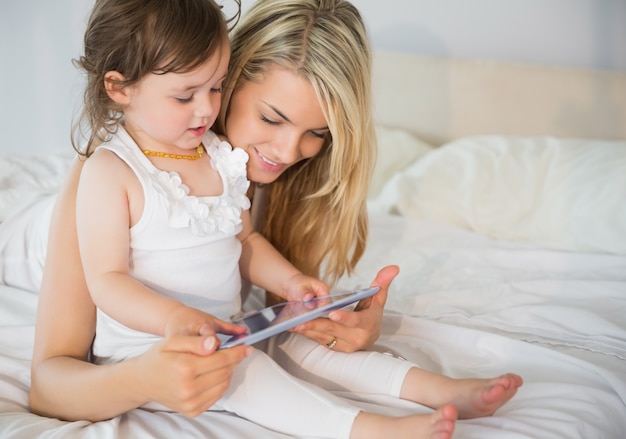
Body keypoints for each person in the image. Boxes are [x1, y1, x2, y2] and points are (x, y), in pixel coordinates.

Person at [0, 0, 523, 436]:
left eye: (318, 134)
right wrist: (145, 376)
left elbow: (243, 242)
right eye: (272, 118)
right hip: (26, 238)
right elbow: (55, 374)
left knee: (293, 342)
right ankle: (370, 430)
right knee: (251, 374)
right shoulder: (102, 177)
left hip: (207, 322)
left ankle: (444, 391)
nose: (289, 150)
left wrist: (311, 300)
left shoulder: (219, 159)